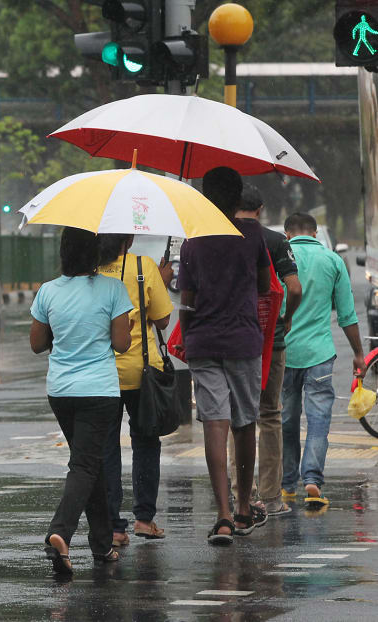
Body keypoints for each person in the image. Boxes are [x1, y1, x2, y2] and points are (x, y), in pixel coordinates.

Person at [30, 227, 133, 574]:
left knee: (93, 464)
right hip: (99, 391)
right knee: (86, 465)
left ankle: (102, 545)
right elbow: (121, 344)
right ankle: (60, 532)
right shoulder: (113, 288)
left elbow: (37, 343)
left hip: (61, 392)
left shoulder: (47, 292)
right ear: (96, 254)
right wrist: (121, 319)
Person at [177, 167, 271, 545]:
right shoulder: (253, 236)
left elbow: (188, 300)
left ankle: (223, 515)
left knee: (214, 424)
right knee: (245, 422)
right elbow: (265, 285)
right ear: (237, 200)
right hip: (243, 341)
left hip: (203, 342)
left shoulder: (192, 241)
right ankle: (245, 506)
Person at [227, 184, 302, 518]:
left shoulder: (219, 237)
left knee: (237, 417)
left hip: (232, 339)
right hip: (271, 338)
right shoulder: (274, 240)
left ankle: (237, 493)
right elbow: (294, 288)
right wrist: (286, 317)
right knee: (270, 415)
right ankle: (270, 497)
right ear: (260, 208)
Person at [281, 212, 365, 506]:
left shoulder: (280, 258)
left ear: (287, 234)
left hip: (284, 353)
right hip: (319, 355)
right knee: (318, 420)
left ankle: (287, 482)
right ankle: (313, 480)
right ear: (315, 234)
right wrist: (357, 354)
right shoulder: (332, 261)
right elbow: (347, 314)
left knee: (286, 419)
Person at [98, 234, 174, 546]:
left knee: (107, 448)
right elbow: (163, 319)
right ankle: (144, 519)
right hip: (142, 372)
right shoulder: (144, 268)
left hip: (102, 372)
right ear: (128, 239)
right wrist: (162, 280)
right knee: (145, 443)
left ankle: (115, 527)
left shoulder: (92, 271)